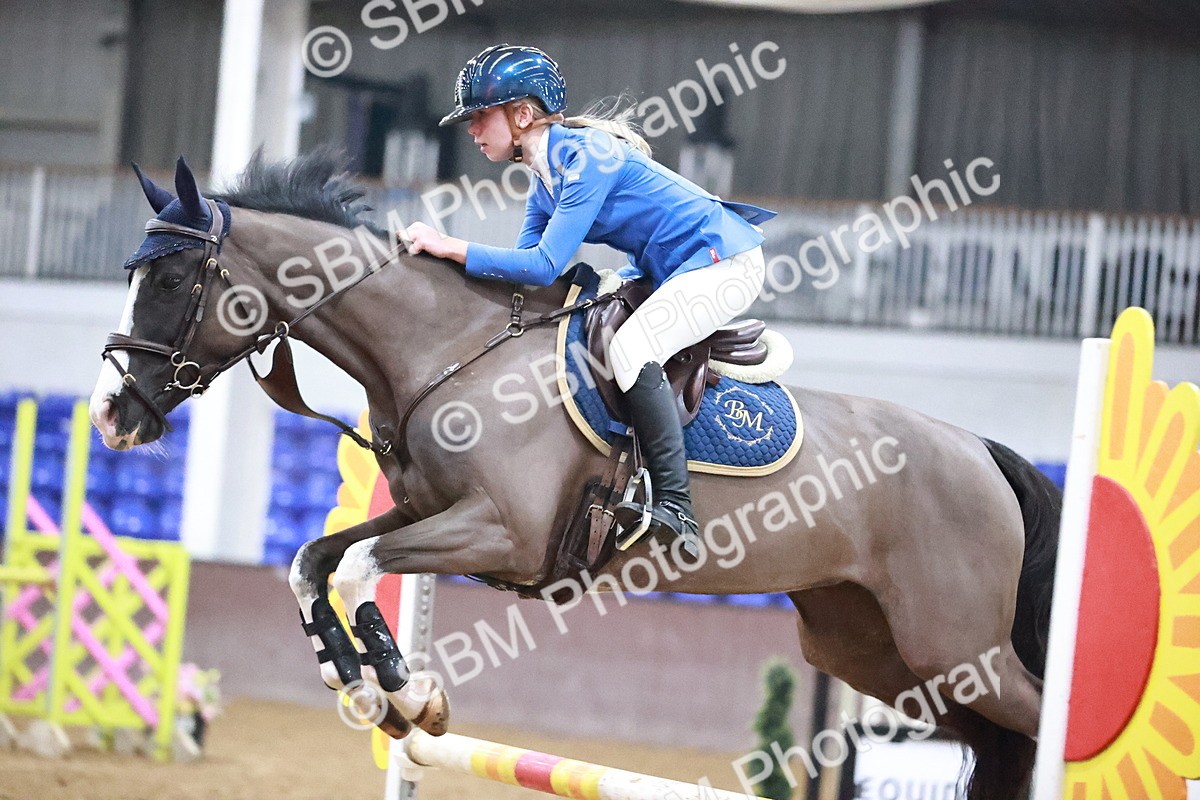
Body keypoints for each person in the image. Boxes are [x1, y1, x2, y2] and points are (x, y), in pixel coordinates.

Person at [404, 44, 775, 556]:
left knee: (631, 350)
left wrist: (452, 245)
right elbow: (527, 273)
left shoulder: (587, 157)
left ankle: (676, 506)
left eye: (479, 117)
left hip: (725, 264)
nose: (470, 130)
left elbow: (544, 265)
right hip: (670, 269)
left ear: (522, 115)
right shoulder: (545, 179)